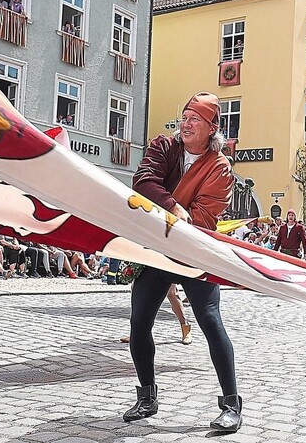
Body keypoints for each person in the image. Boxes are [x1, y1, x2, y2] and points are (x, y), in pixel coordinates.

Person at [124, 92, 241, 432]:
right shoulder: (163, 146)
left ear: (211, 129)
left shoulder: (220, 167)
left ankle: (231, 404)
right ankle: (147, 395)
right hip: (157, 248)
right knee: (139, 321)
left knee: (209, 319)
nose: (186, 124)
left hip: (194, 251)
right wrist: (174, 207)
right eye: (185, 116)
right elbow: (143, 182)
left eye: (195, 119)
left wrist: (171, 211)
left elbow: (203, 219)